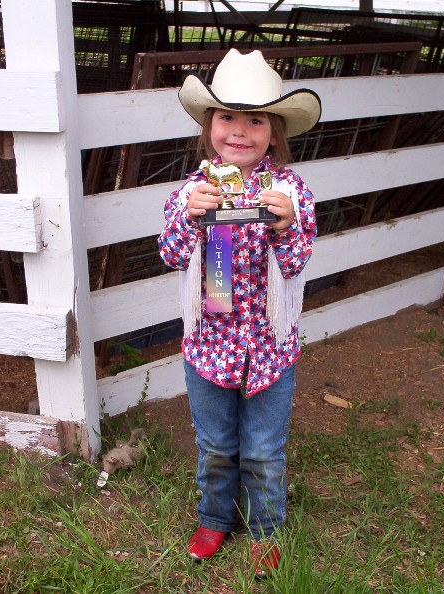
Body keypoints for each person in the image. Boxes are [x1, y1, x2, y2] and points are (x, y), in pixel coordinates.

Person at [157, 48, 321, 578]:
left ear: (274, 132)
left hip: (270, 347)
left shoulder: (290, 191)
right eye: (228, 117)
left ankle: (267, 528)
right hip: (209, 347)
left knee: (264, 449)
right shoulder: (192, 191)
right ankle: (214, 516)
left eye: (256, 120)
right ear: (210, 127)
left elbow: (296, 262)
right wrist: (192, 219)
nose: (241, 131)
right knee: (216, 445)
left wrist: (285, 225)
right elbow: (171, 255)